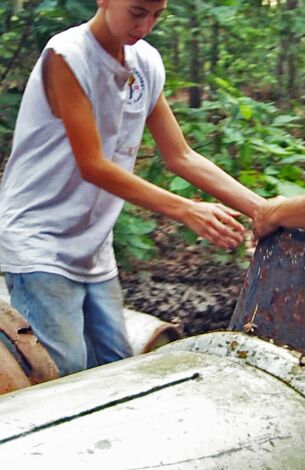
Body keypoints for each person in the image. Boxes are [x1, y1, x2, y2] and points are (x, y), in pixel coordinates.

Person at [0, 0, 264, 377]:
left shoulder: (145, 63)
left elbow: (181, 155)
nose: (147, 26)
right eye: (137, 12)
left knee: (118, 368)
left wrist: (264, 209)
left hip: (92, 245)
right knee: (61, 372)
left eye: (157, 14)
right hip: (38, 238)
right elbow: (92, 165)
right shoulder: (68, 55)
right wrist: (186, 209)